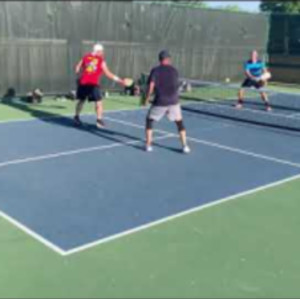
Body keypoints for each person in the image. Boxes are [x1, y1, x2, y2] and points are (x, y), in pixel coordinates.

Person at [143, 50, 190, 154]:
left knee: (149, 121)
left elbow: (151, 86)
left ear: (159, 60)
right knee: (179, 123)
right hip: (174, 101)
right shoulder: (174, 70)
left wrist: (146, 100)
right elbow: (176, 85)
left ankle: (148, 145)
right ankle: (185, 146)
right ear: (168, 59)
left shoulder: (155, 70)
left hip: (160, 101)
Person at [74, 43, 126, 128]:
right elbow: (108, 73)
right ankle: (99, 120)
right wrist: (120, 81)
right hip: (92, 84)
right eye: (101, 51)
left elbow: (77, 67)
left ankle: (77, 117)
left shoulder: (85, 57)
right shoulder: (101, 60)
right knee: (98, 102)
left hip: (83, 83)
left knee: (82, 101)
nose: (102, 53)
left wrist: (79, 72)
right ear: (97, 51)